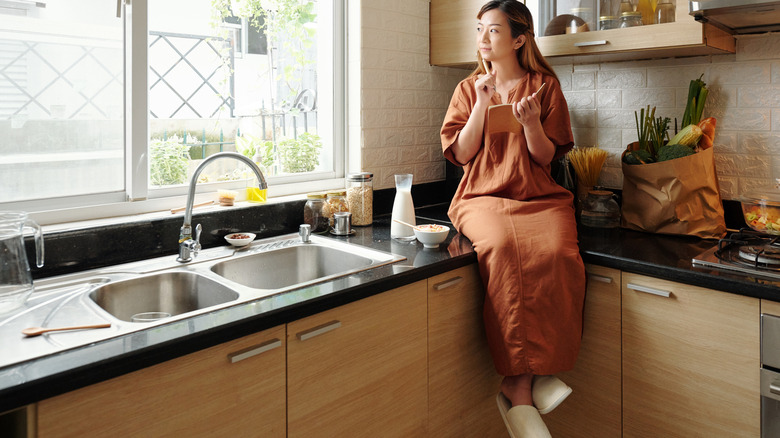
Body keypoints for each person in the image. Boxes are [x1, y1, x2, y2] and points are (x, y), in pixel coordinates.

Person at [440, 1, 586, 436]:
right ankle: (524, 387)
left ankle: (521, 379)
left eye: (493, 31)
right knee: (503, 250)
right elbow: (462, 154)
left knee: (558, 253)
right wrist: (484, 105)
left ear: (519, 40)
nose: (483, 39)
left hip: (539, 196)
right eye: (479, 30)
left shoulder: (544, 87)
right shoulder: (469, 89)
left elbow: (545, 158)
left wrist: (532, 125)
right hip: (481, 196)